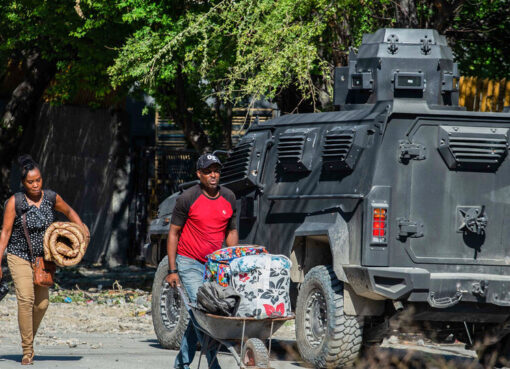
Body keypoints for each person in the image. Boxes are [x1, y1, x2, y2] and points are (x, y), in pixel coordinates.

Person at [0, 155, 89, 365]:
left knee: (42, 304)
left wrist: (82, 231)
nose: (35, 185)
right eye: (30, 182)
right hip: (18, 254)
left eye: (38, 180)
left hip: (44, 259)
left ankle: (28, 334)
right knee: (26, 299)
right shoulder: (16, 202)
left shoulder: (51, 198)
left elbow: (68, 211)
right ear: (23, 183)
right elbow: (5, 233)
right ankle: (27, 350)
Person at [166, 153, 238, 369]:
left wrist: (233, 262)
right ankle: (213, 363)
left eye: (216, 170)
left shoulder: (229, 197)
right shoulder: (187, 198)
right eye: (208, 171)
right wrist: (173, 269)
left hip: (215, 266)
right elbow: (173, 233)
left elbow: (231, 231)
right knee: (203, 313)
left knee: (204, 314)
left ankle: (181, 363)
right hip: (189, 262)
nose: (213, 175)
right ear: (199, 174)